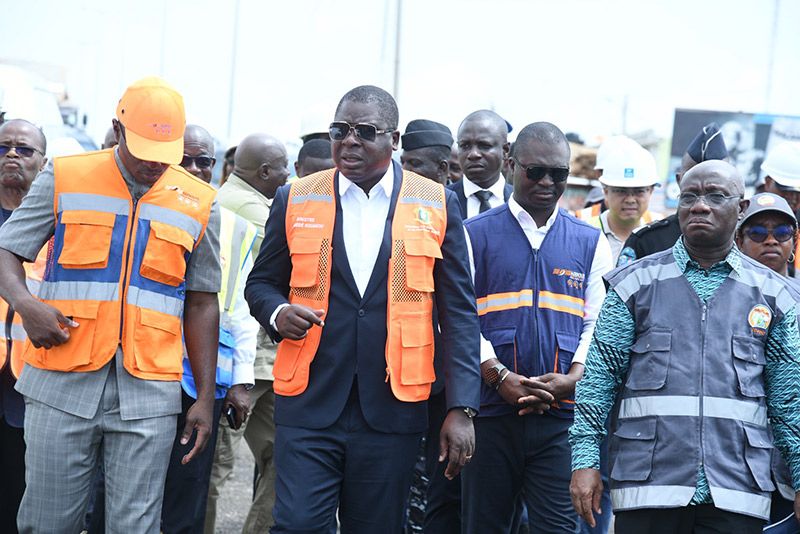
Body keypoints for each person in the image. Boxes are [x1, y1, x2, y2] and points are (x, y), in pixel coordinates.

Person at [245, 84, 481, 533]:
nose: (349, 140)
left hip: (392, 408)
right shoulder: (294, 198)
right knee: (297, 525)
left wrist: (462, 406)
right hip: (309, 401)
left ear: (394, 140)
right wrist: (277, 313)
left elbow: (459, 315)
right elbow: (261, 284)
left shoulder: (436, 203)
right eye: (340, 129)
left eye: (365, 131)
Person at [0, 77, 221, 534]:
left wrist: (202, 396)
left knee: (135, 527)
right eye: (142, 151)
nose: (154, 165)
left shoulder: (200, 203)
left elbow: (202, 303)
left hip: (149, 392)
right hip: (60, 380)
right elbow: (7, 250)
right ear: (116, 130)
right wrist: (26, 304)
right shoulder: (65, 176)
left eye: (165, 154)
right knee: (47, 523)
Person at [570, 160, 800, 534]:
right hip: (648, 488)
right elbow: (597, 382)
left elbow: (788, 400)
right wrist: (584, 462)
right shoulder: (633, 285)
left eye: (715, 196)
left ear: (741, 210)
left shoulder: (775, 296)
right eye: (689, 196)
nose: (700, 205)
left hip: (737, 490)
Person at [461, 122, 613, 534]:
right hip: (490, 415)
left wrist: (575, 379)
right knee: (484, 526)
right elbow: (457, 319)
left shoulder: (589, 241)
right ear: (511, 163)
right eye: (535, 171)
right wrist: (498, 376)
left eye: (558, 174)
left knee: (557, 529)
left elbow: (600, 322)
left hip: (560, 419)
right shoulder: (473, 235)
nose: (547, 182)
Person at [160, 124, 258, 534]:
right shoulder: (138, 212)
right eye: (185, 160)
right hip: (145, 371)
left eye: (205, 162)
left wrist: (240, 381)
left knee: (188, 489)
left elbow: (240, 312)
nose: (195, 169)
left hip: (202, 381)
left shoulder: (237, 227)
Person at [204, 132, 289, 534]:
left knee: (287, 458)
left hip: (265, 358)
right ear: (265, 171)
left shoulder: (249, 200)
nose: (289, 175)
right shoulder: (248, 206)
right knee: (215, 466)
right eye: (284, 167)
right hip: (241, 357)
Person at [0, 119, 48, 534]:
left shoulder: (59, 223)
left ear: (44, 162)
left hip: (29, 381)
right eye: (4, 147)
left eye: (24, 149)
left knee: (19, 494)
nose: (12, 154)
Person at [620, 122, 729, 264]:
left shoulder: (748, 240)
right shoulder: (646, 242)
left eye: (714, 185)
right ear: (679, 180)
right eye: (693, 181)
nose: (701, 204)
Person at [584, 144, 662, 265]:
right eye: (621, 191)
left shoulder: (660, 233)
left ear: (651, 191)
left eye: (639, 191)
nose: (630, 200)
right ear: (606, 191)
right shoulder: (584, 232)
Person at [449, 110, 512, 219]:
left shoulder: (522, 201)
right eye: (465, 146)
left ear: (505, 150)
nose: (473, 154)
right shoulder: (440, 201)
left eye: (484, 145)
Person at [400, 119, 453, 185]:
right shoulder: (395, 194)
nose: (403, 170)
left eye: (414, 164)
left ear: (441, 168)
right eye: (402, 163)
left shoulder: (464, 194)